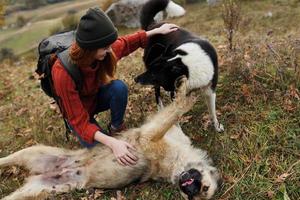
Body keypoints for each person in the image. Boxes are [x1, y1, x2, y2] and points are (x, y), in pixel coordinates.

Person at [51, 7, 178, 166]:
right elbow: (79, 121)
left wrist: (154, 32)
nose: (110, 50)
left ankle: (116, 127)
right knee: (104, 154)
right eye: (105, 48)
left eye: (109, 46)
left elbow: (124, 43)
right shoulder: (62, 72)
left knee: (119, 88)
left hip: (95, 98)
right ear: (89, 49)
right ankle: (109, 139)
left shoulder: (102, 52)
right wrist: (112, 143)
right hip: (79, 114)